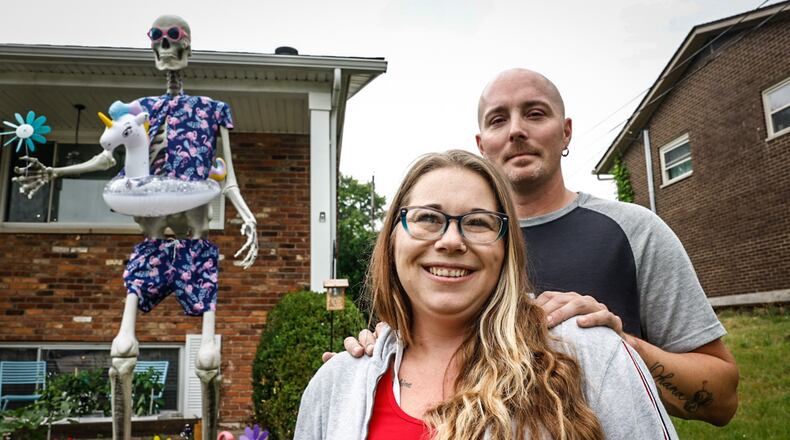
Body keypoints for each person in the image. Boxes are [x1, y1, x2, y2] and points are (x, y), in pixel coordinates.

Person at [335, 68, 739, 426]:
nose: (516, 130)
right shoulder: (450, 251)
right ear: (482, 143)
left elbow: (721, 401)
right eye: (498, 119)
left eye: (535, 113)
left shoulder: (634, 232)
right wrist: (376, 354)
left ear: (565, 131)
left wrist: (619, 348)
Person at [296, 150, 677, 439]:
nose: (451, 241)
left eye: (478, 223)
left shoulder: (589, 355)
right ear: (393, 239)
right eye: (428, 218)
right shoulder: (336, 384)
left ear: (506, 250)